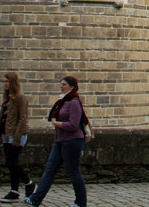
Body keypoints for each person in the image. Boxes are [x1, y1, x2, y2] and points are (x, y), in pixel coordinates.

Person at [22, 76, 88, 207]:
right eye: (61, 84)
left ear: (72, 87)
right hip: (60, 141)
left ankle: (81, 203)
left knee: (74, 172)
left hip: (72, 141)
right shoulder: (63, 101)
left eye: (64, 84)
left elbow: (74, 125)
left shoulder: (74, 102)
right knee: (49, 170)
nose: (61, 86)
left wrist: (57, 123)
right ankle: (35, 199)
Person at [0, 72, 35, 203]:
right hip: (6, 134)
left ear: (13, 82)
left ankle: (29, 183)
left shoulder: (20, 98)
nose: (5, 84)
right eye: (4, 81)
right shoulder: (7, 98)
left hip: (17, 134)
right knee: (10, 163)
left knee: (12, 162)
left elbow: (22, 119)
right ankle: (14, 191)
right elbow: (2, 120)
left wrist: (16, 138)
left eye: (7, 81)